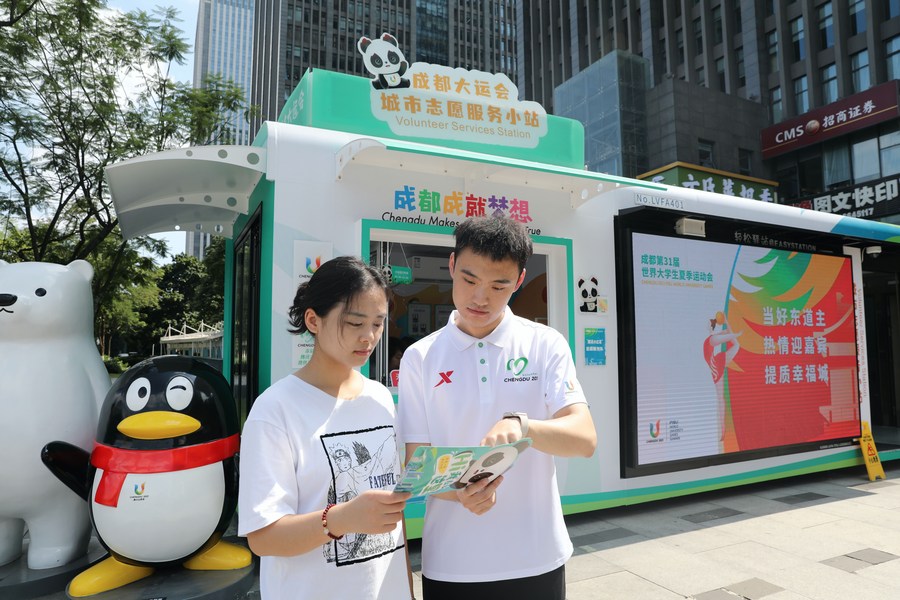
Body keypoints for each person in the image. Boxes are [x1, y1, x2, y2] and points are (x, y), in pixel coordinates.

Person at [398, 216, 597, 600]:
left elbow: (584, 438)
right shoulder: (420, 357)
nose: (480, 298)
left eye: (498, 286)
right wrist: (462, 493)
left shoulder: (545, 344)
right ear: (452, 265)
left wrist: (525, 427)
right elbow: (416, 463)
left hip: (537, 557)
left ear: (519, 280)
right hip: (452, 563)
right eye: (469, 279)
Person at [238, 256, 413, 600]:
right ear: (313, 320)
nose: (369, 337)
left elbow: (392, 516)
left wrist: (407, 587)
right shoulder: (276, 409)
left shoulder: (380, 397)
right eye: (355, 322)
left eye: (378, 323)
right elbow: (262, 537)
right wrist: (341, 518)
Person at [704, 311, 742, 444]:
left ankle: (723, 429)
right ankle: (723, 429)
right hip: (716, 365)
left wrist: (727, 325)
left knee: (721, 398)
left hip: (717, 364)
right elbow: (725, 337)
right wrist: (736, 334)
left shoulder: (712, 338)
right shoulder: (712, 339)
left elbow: (724, 335)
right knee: (720, 398)